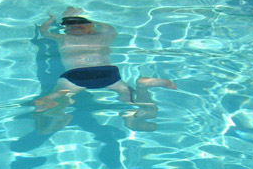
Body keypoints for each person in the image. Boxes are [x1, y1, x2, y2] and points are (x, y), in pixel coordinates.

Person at [35, 7, 176, 132]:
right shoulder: (104, 37)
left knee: (57, 98)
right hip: (107, 74)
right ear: (92, 27)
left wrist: (51, 18)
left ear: (67, 30)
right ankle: (141, 88)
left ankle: (49, 111)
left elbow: (44, 31)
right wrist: (89, 19)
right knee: (141, 104)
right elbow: (109, 28)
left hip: (76, 76)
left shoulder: (63, 39)